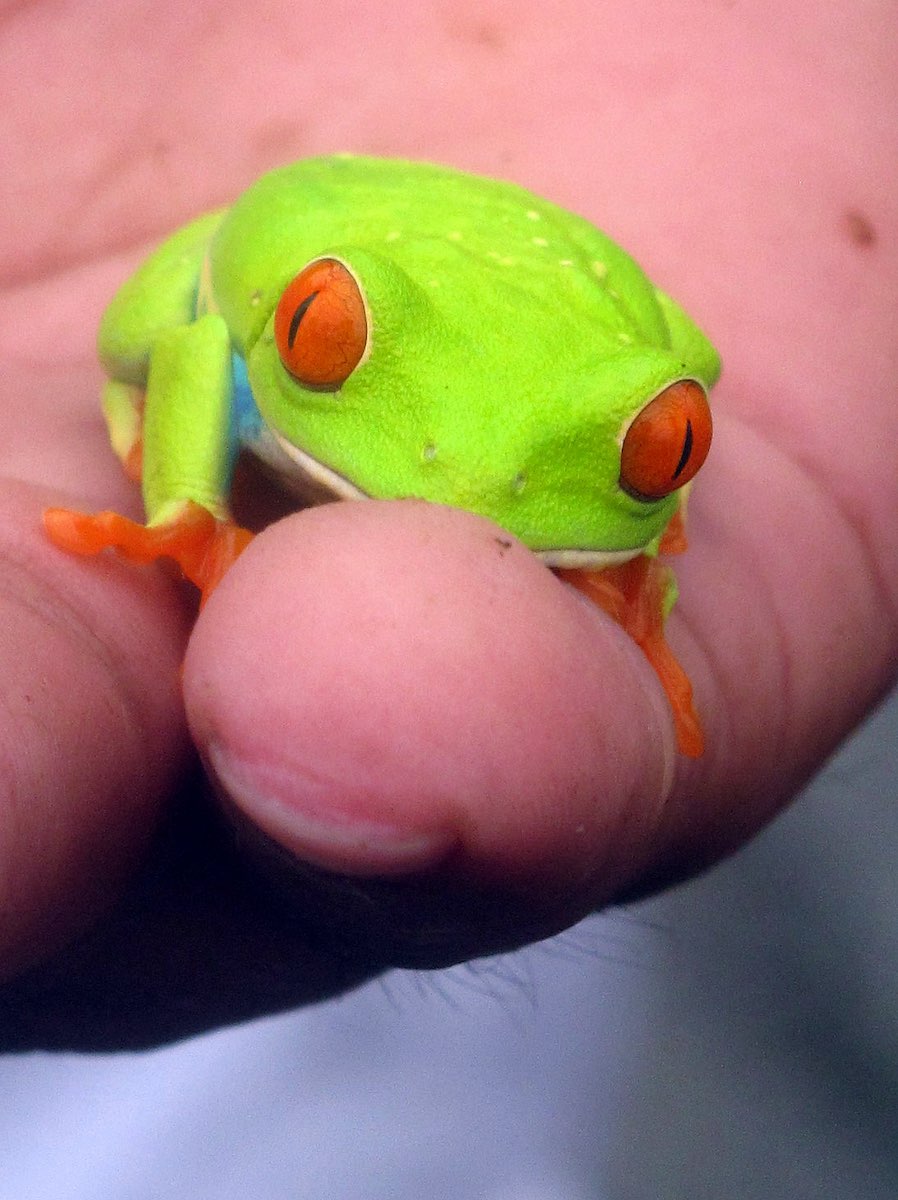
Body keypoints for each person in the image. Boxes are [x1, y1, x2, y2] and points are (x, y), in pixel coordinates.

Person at [0, 0, 894, 1050]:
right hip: (297, 251)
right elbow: (205, 348)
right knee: (148, 333)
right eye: (323, 336)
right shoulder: (275, 312)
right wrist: (187, 507)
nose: (455, 478)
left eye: (664, 443)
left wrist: (644, 524)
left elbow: (677, 359)